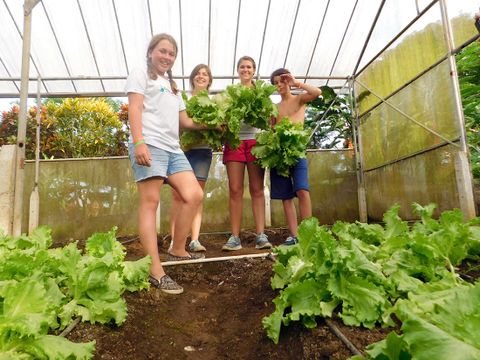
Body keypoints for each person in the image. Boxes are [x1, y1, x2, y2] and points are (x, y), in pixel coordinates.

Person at [126, 33, 208, 295]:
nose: (167, 57)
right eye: (162, 51)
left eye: (171, 54)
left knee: (194, 194)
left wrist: (213, 125)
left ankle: (177, 248)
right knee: (150, 203)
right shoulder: (141, 73)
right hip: (150, 143)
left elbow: (185, 121)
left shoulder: (173, 86)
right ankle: (156, 271)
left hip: (173, 148)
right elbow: (135, 108)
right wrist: (139, 142)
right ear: (151, 51)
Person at [221, 56, 272, 251]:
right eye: (242, 67)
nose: (245, 70)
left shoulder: (260, 92)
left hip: (255, 142)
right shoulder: (230, 92)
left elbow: (269, 115)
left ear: (254, 70)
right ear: (237, 70)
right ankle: (234, 237)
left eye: (249, 67)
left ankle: (261, 235)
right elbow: (224, 115)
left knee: (257, 189)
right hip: (234, 141)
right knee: (235, 189)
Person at [269, 68, 321, 245]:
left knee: (302, 190)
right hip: (279, 154)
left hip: (297, 152)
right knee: (285, 196)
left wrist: (296, 82)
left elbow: (316, 92)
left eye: (282, 81)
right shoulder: (274, 109)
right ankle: (295, 234)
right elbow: (272, 129)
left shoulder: (299, 99)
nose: (279, 85)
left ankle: (309, 233)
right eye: (276, 83)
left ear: (287, 81)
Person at [169, 64, 213, 253]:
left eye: (205, 74)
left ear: (209, 80)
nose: (201, 76)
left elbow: (220, 127)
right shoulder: (182, 99)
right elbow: (176, 122)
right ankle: (174, 240)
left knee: (197, 196)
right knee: (177, 196)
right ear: (192, 78)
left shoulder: (214, 103)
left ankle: (194, 240)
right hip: (181, 151)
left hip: (202, 151)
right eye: (198, 74)